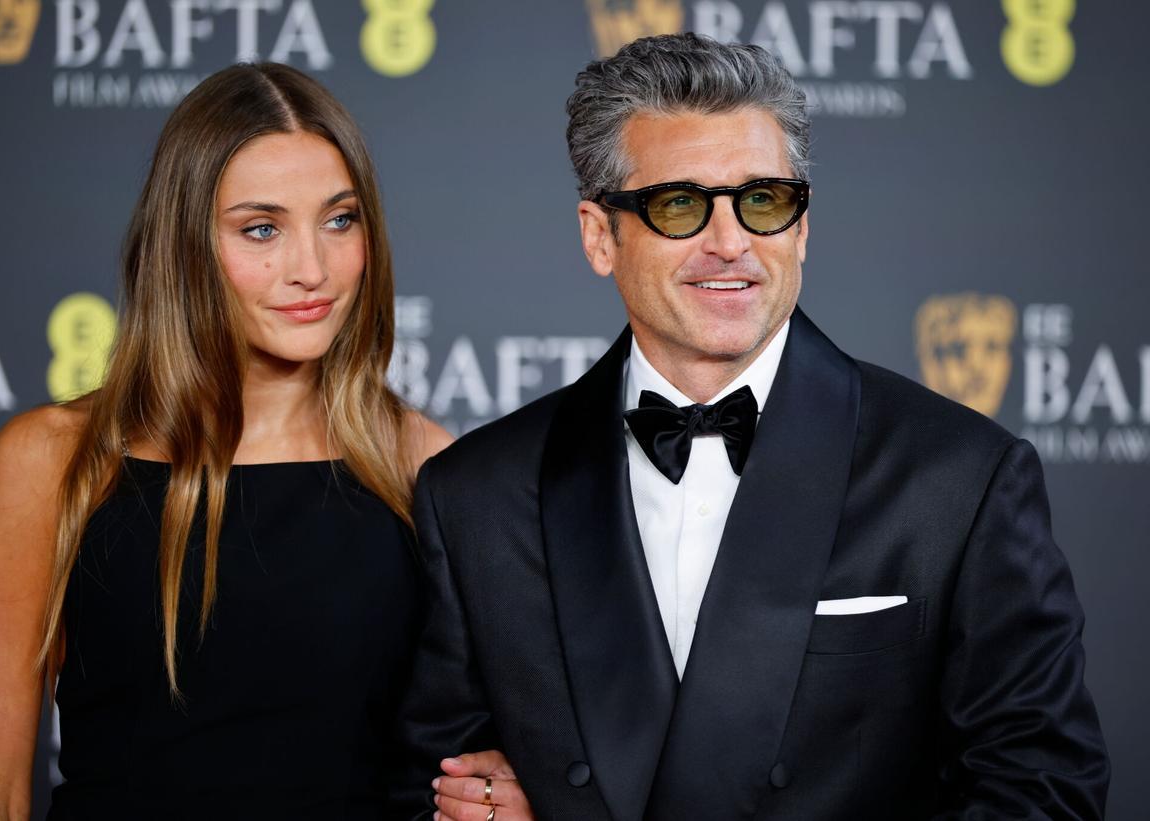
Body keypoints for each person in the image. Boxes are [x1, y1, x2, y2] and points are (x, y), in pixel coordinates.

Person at [395, 33, 1109, 819]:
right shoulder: (477, 493)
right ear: (601, 236)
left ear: (801, 227)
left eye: (763, 201)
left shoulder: (960, 478)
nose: (730, 243)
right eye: (679, 205)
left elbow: (1043, 787)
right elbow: (428, 781)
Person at [0, 63, 527, 820]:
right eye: (262, 228)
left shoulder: (418, 463)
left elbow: (475, 754)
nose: (312, 268)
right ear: (185, 243)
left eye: (340, 219)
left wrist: (496, 791)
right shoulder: (53, 461)